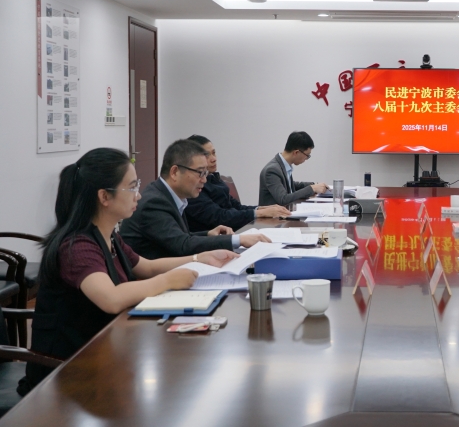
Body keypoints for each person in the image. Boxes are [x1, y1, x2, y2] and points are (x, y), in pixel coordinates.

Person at [18, 148, 238, 394]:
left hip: (102, 352)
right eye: (132, 187)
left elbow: (147, 266)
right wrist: (168, 281)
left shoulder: (108, 235)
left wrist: (200, 258)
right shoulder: (77, 246)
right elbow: (111, 298)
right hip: (64, 375)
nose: (139, 195)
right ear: (104, 196)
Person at [120, 139, 269, 260]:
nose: (204, 180)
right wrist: (238, 240)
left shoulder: (168, 195)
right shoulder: (154, 203)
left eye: (205, 174)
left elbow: (179, 237)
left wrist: (207, 234)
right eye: (200, 173)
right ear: (175, 172)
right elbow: (182, 245)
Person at [184, 135, 290, 231]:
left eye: (214, 153)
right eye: (207, 155)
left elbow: (236, 206)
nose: (214, 159)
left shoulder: (214, 178)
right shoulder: (193, 187)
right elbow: (219, 217)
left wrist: (263, 209)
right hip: (215, 239)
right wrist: (259, 213)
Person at [259, 131, 328, 206]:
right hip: (274, 213)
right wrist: (312, 189)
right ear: (296, 152)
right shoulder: (272, 170)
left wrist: (314, 185)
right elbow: (283, 199)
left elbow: (291, 185)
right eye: (307, 155)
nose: (306, 159)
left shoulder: (283, 165)